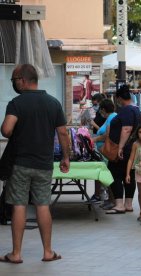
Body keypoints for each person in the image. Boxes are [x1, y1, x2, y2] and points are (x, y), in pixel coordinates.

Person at [0, 64, 70, 263]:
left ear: (22, 80)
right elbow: (63, 133)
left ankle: (16, 253)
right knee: (43, 205)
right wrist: (66, 157)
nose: (13, 84)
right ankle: (48, 252)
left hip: (20, 164)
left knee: (19, 206)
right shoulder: (53, 103)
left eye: (14, 80)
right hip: (44, 164)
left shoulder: (16, 103)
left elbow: (6, 130)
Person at [105, 85, 141, 214]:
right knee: (129, 174)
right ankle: (128, 204)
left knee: (114, 174)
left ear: (119, 98)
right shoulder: (136, 109)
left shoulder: (126, 110)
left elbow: (127, 129)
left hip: (123, 149)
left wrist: (120, 147)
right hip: (132, 148)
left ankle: (119, 204)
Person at [91, 99, 117, 206]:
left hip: (107, 152)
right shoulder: (110, 117)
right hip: (103, 151)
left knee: (106, 176)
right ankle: (109, 199)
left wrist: (95, 140)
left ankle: (112, 200)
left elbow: (108, 134)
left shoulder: (111, 117)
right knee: (105, 175)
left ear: (103, 109)